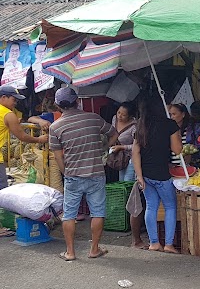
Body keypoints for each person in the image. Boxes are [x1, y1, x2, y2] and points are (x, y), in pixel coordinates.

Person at [50, 87, 118, 261]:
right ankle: (94, 249)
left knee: (69, 214)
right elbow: (114, 133)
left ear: (58, 105)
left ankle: (70, 252)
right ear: (77, 101)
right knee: (97, 212)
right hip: (96, 172)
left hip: (73, 174)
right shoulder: (93, 118)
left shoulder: (55, 127)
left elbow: (58, 156)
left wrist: (66, 172)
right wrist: (103, 149)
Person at [132, 99, 182, 253]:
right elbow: (177, 150)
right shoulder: (169, 124)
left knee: (151, 206)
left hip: (146, 175)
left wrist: (139, 176)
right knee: (170, 207)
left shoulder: (141, 125)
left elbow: (135, 152)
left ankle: (154, 243)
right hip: (162, 175)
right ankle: (168, 244)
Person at [0, 86, 48, 189]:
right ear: (4, 97)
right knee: (2, 189)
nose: (15, 103)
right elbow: (22, 136)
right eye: (14, 99)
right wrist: (39, 139)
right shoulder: (8, 114)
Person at [111, 102, 137, 182]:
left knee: (128, 180)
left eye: (123, 115)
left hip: (131, 157)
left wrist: (122, 147)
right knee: (121, 181)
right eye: (119, 112)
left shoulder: (135, 126)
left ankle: (132, 195)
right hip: (120, 157)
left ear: (130, 116)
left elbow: (137, 145)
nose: (119, 116)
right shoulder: (114, 119)